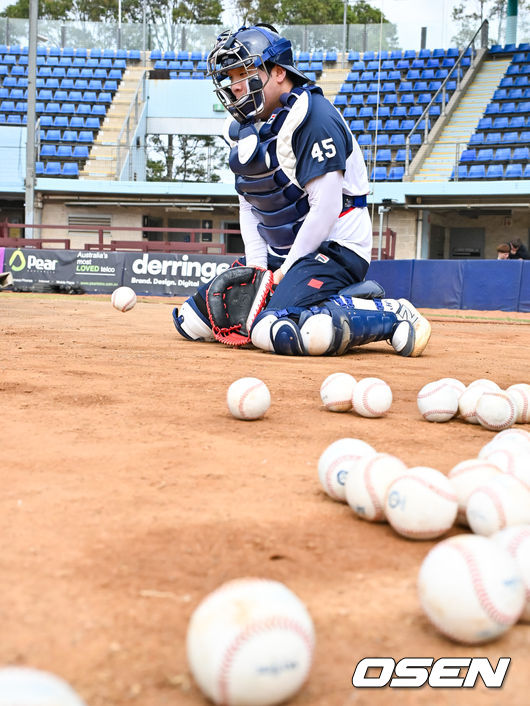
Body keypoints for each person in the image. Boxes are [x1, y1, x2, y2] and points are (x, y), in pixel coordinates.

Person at [172, 24, 431, 357]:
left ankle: (391, 314)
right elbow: (250, 205)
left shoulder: (314, 117)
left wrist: (285, 270)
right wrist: (258, 270)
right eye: (230, 77)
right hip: (282, 252)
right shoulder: (243, 129)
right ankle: (314, 298)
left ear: (278, 72)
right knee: (193, 320)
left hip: (335, 247)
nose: (235, 87)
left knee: (274, 328)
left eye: (243, 73)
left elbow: (324, 208)